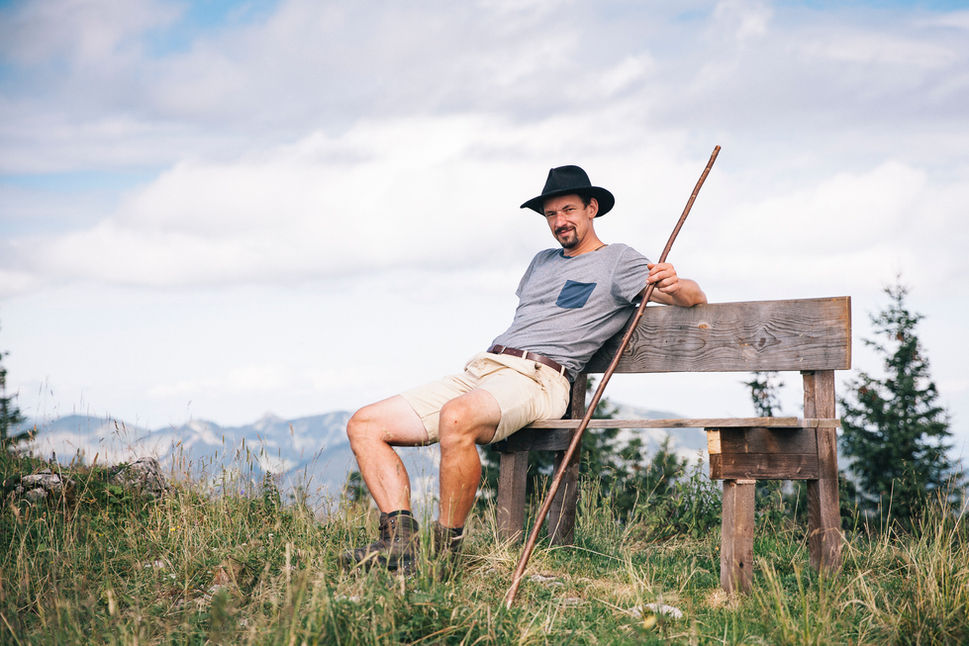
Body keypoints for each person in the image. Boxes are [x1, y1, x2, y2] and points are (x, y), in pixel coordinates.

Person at [340, 165, 706, 572]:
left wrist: (676, 283)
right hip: (488, 367)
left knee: (456, 417)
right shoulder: (541, 262)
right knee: (364, 424)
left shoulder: (618, 260)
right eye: (551, 215)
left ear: (592, 208)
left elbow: (691, 296)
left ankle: (443, 555)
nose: (560, 222)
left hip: (541, 379)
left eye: (568, 210)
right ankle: (400, 543)